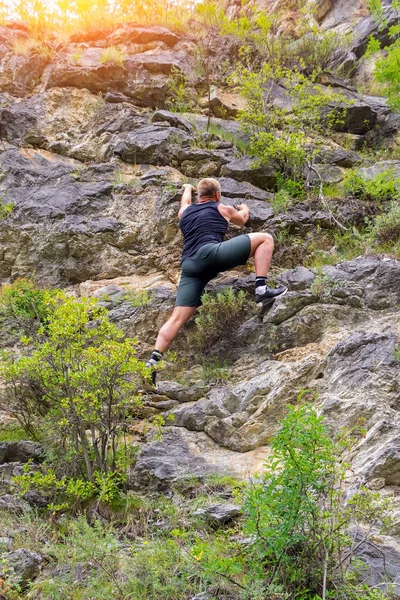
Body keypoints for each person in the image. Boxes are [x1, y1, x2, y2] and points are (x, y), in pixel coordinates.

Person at [146, 178, 287, 383]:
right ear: (217, 195)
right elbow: (242, 219)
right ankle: (261, 289)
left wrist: (187, 188)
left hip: (189, 267)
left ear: (199, 196)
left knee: (176, 318)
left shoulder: (185, 212)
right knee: (266, 238)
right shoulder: (221, 207)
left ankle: (153, 361)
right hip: (211, 254)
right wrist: (245, 208)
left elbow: (184, 202)